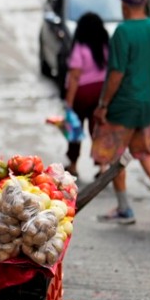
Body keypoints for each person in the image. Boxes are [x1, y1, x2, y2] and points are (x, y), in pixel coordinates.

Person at [91, 0, 150, 225]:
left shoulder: (123, 31)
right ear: (145, 3)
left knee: (115, 155)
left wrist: (104, 104)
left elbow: (116, 73)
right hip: (147, 105)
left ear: (125, 6)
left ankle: (125, 208)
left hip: (123, 105)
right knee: (144, 150)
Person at [62, 12, 109, 178]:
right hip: (100, 92)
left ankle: (73, 165)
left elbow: (75, 77)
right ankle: (102, 165)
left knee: (75, 128)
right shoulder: (104, 46)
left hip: (81, 94)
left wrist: (68, 103)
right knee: (97, 130)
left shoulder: (79, 48)